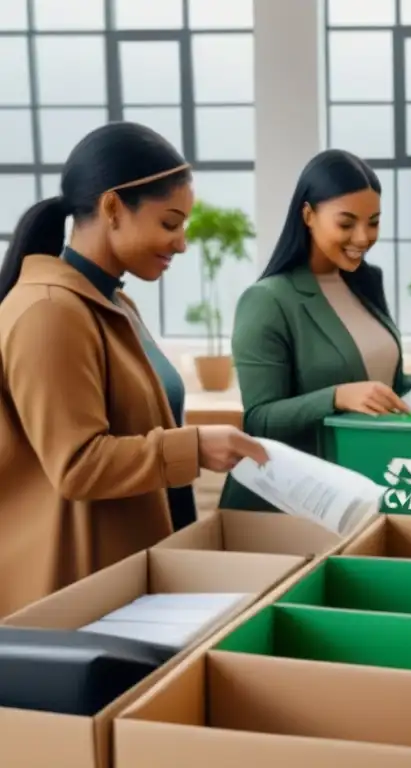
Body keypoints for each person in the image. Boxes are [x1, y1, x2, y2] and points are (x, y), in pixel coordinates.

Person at [0, 122, 268, 616]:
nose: (182, 243)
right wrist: (196, 446)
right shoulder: (49, 311)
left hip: (135, 571)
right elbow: (78, 466)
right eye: (170, 223)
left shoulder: (116, 303)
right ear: (111, 208)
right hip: (81, 588)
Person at [219, 149, 411, 512]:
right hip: (292, 505)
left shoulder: (366, 282)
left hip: (365, 488)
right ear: (308, 215)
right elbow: (258, 418)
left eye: (373, 221)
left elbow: (380, 379)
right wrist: (336, 396)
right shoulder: (267, 300)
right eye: (346, 223)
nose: (363, 237)